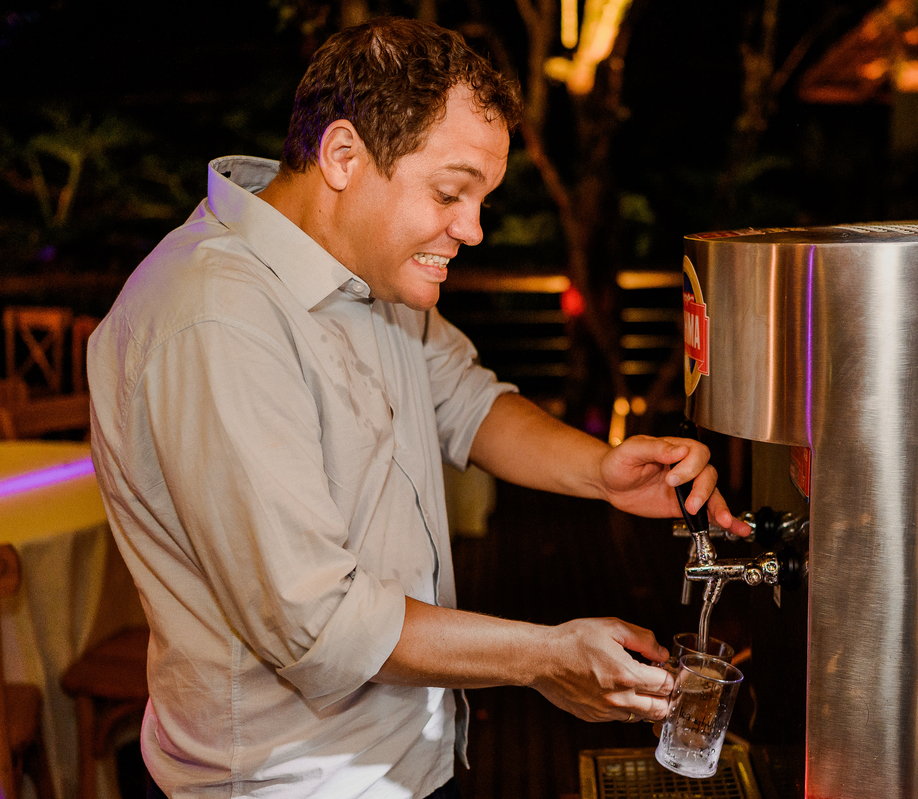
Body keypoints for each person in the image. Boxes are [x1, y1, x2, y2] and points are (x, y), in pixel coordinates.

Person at [87, 15, 749, 799]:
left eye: (482, 200)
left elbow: (468, 401)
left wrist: (601, 471)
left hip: (411, 755)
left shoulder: (365, 262)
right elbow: (321, 623)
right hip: (295, 782)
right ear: (342, 156)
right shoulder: (215, 319)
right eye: (449, 192)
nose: (470, 230)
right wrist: (544, 656)